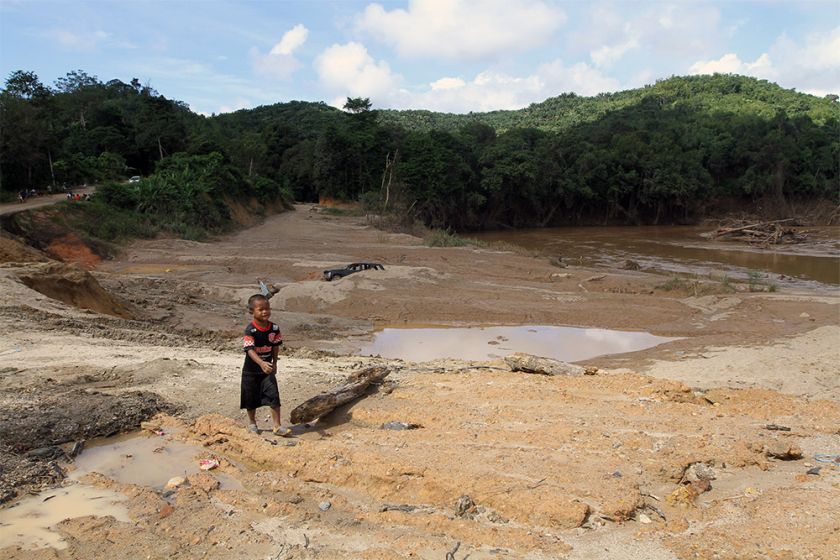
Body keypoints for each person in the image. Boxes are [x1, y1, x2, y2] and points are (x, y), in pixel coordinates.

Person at [241, 294, 291, 436]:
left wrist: (274, 363)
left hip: (267, 370)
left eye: (267, 308)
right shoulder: (250, 330)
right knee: (250, 398)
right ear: (252, 312)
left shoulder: (274, 328)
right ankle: (252, 424)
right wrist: (261, 363)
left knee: (274, 396)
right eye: (261, 309)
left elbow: (275, 346)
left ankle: (277, 426)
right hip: (251, 371)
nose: (265, 312)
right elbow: (249, 350)